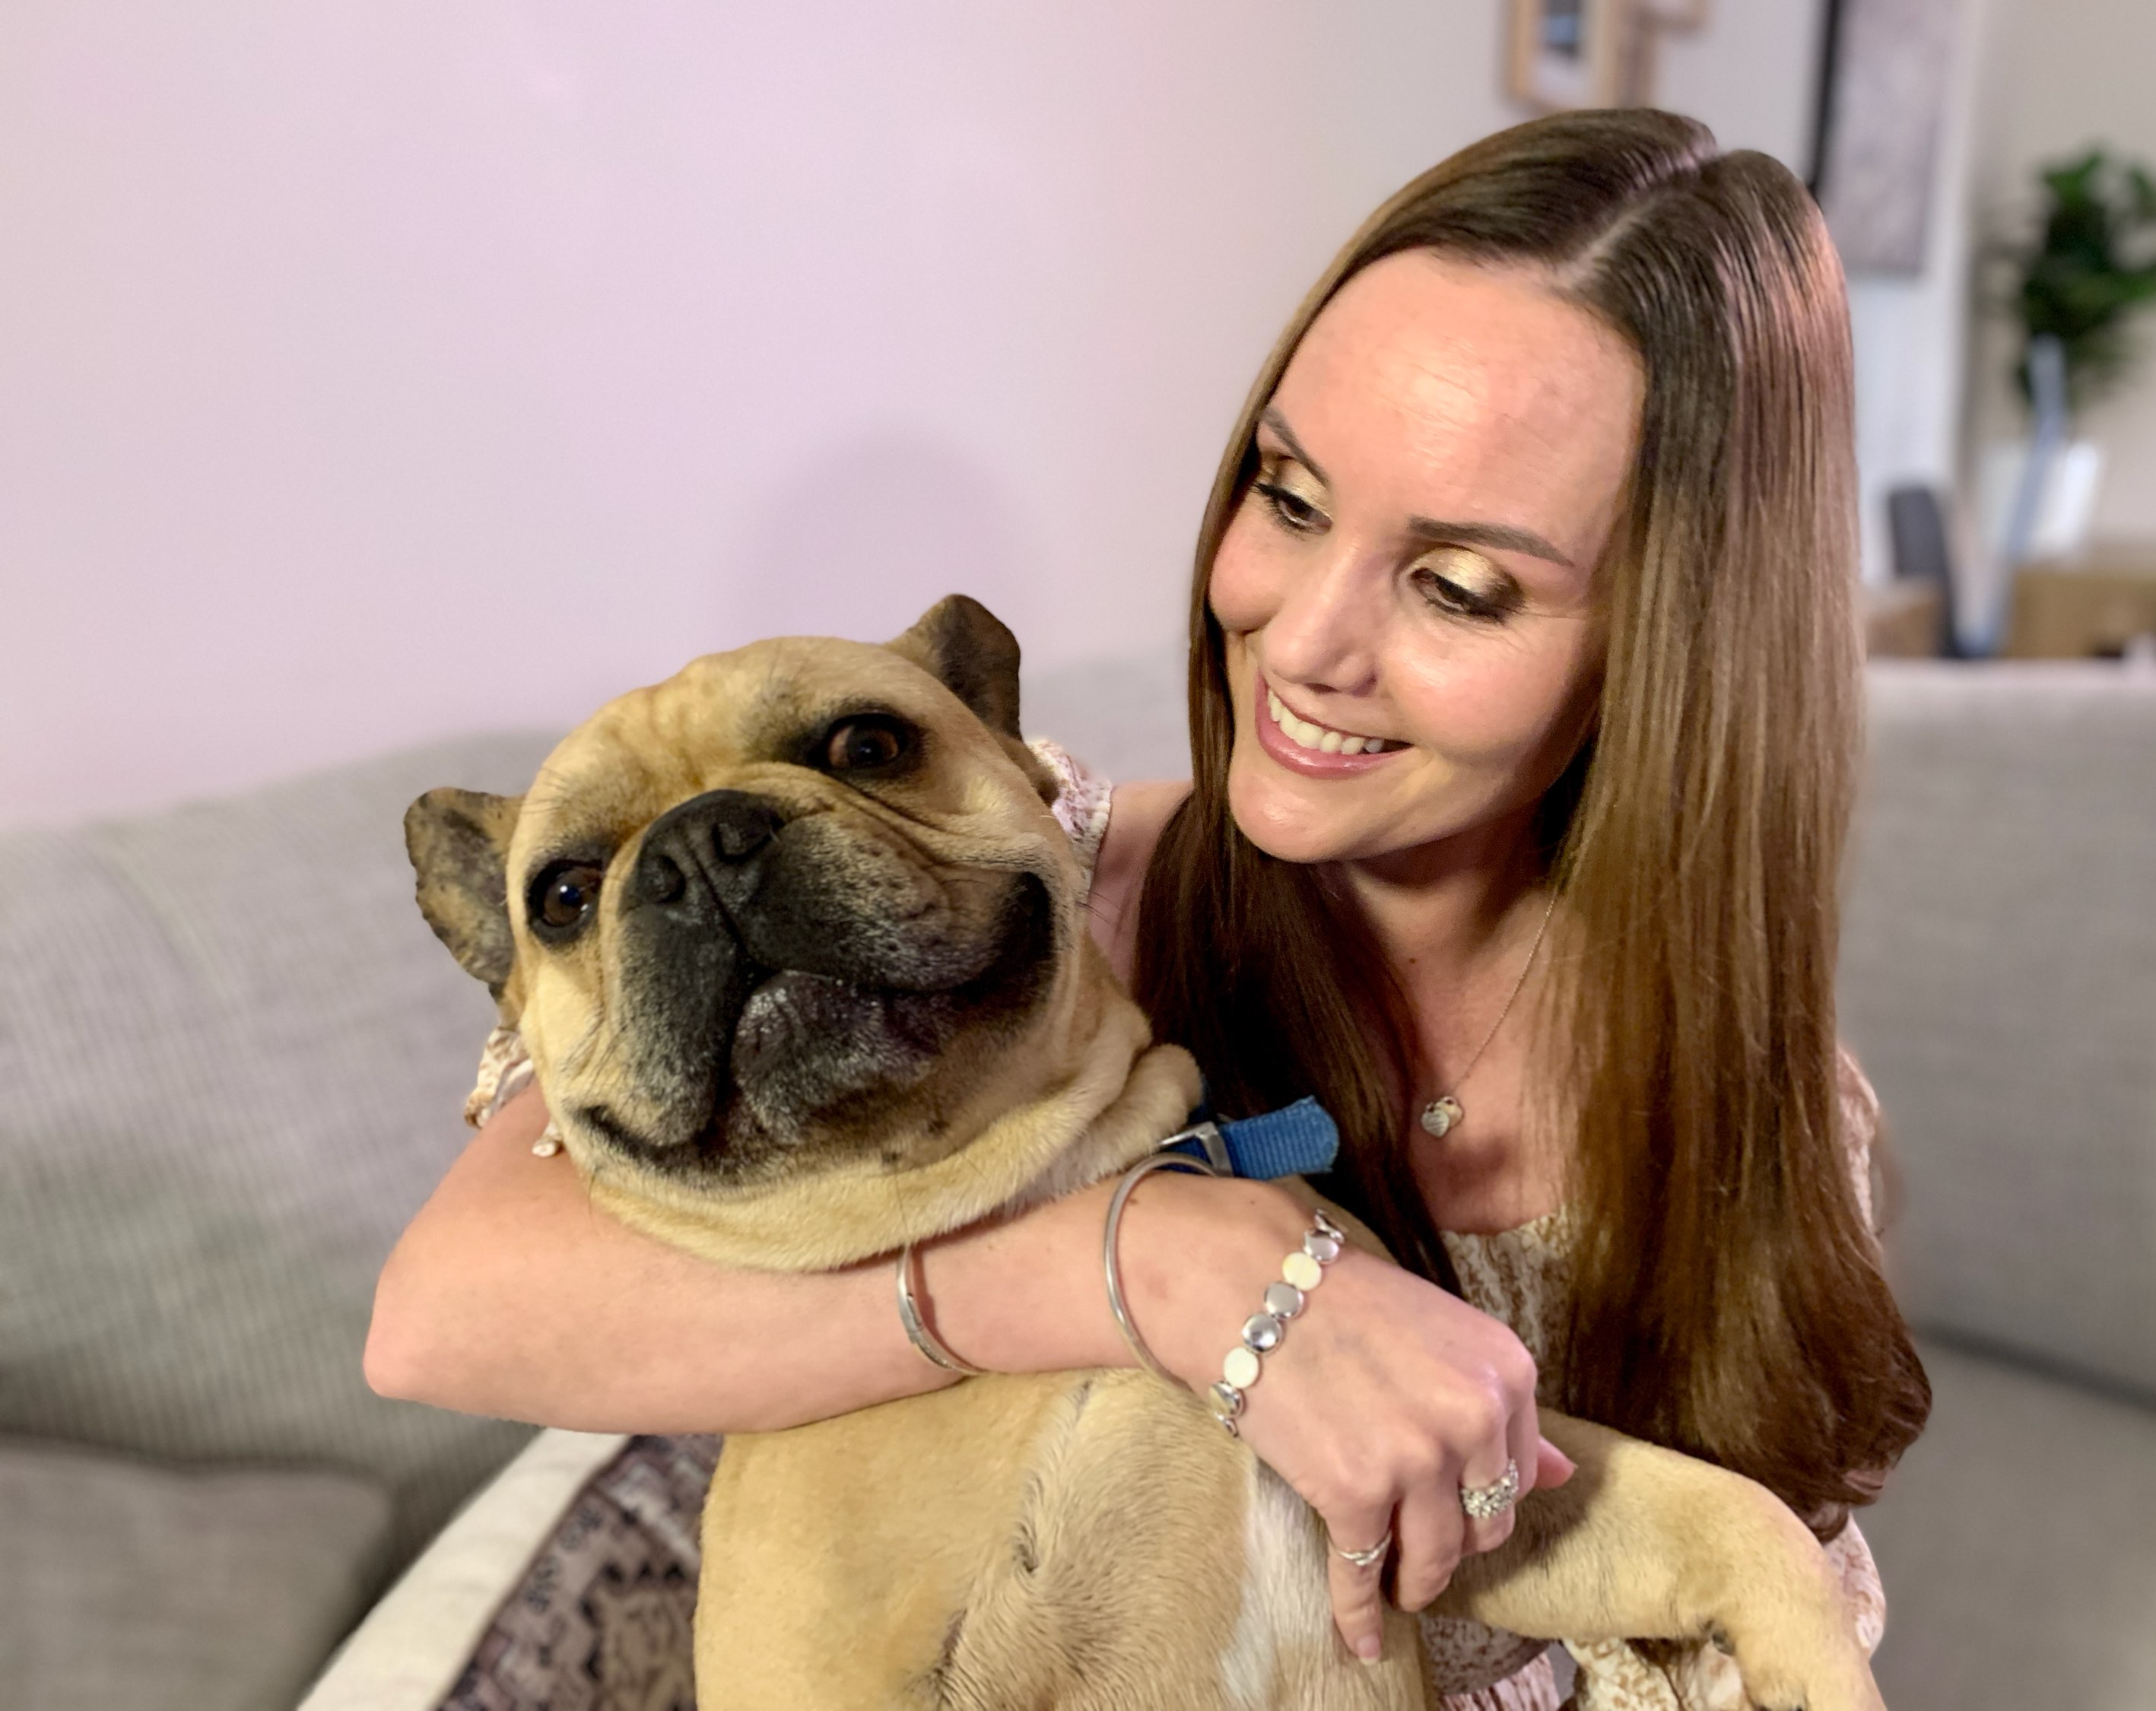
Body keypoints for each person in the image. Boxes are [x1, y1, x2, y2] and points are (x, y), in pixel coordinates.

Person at [368, 110, 1929, 1709]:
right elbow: (434, 1318)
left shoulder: (1772, 1115)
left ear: (1675, 657)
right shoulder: (1064, 889)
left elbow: (1690, 1579)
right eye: (1290, 492)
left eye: (1460, 584)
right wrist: (1154, 1265)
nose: (1305, 637)